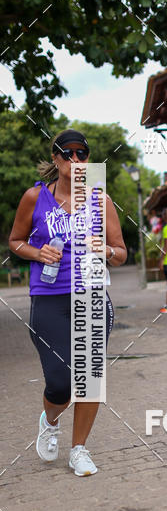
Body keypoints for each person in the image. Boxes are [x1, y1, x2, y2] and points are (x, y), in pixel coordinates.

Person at [8, 129, 127, 476]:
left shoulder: (100, 200)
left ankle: (79, 450)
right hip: (48, 297)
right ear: (56, 158)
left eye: (83, 154)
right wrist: (36, 251)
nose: (76, 160)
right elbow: (14, 241)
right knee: (60, 381)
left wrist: (105, 249)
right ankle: (50, 419)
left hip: (91, 295)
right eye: (68, 153)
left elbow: (121, 253)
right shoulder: (35, 197)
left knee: (89, 376)